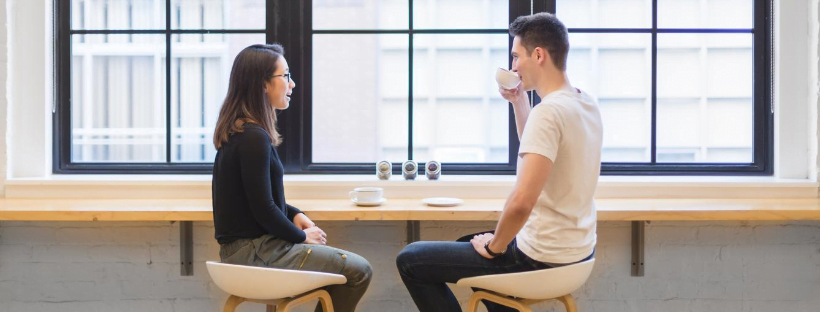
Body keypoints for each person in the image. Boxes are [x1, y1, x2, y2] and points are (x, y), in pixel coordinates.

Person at [395, 13, 603, 312]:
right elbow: (540, 145)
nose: (513, 66)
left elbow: (522, 202)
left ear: (539, 55)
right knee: (468, 243)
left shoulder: (548, 113)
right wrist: (519, 101)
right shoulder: (584, 102)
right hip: (577, 253)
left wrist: (496, 247)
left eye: (516, 56)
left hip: (541, 257)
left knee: (411, 260)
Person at [211, 43, 372, 312]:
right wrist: (301, 236)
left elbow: (257, 199)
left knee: (343, 269)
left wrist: (295, 214)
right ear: (263, 84)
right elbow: (263, 209)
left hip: (246, 252)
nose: (292, 84)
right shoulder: (253, 138)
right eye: (285, 76)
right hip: (256, 253)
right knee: (359, 270)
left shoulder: (241, 132)